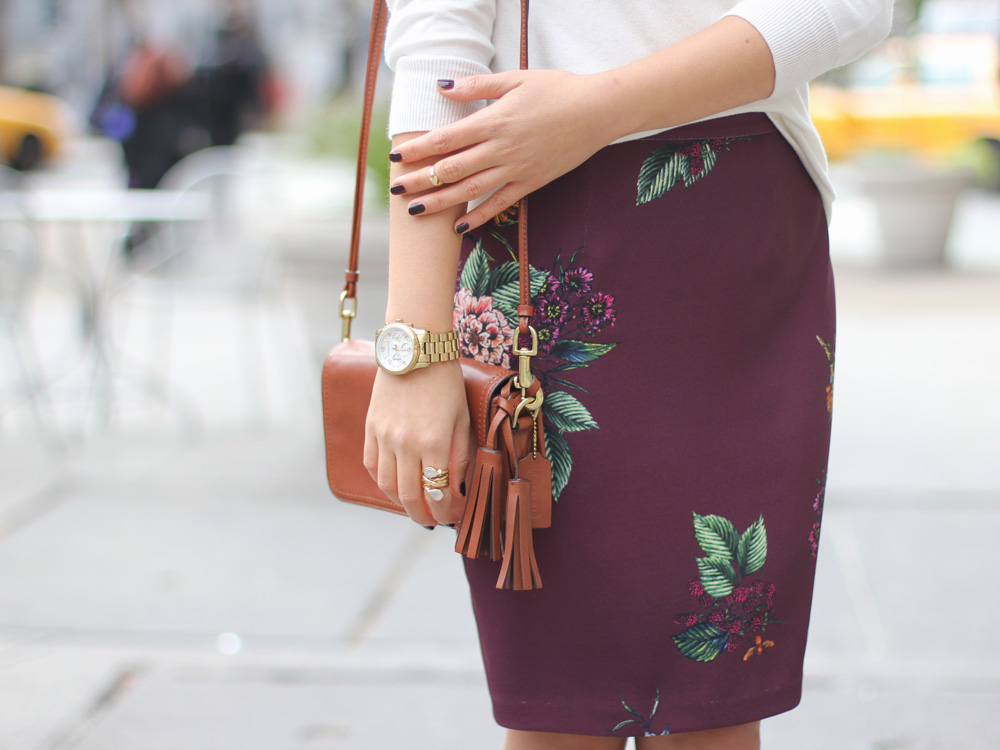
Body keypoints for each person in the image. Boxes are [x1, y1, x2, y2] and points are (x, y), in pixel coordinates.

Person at [364, 1, 894, 748]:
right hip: (530, 236)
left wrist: (598, 108)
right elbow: (436, 52)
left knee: (711, 708)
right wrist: (415, 348)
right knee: (558, 712)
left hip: (726, 243)